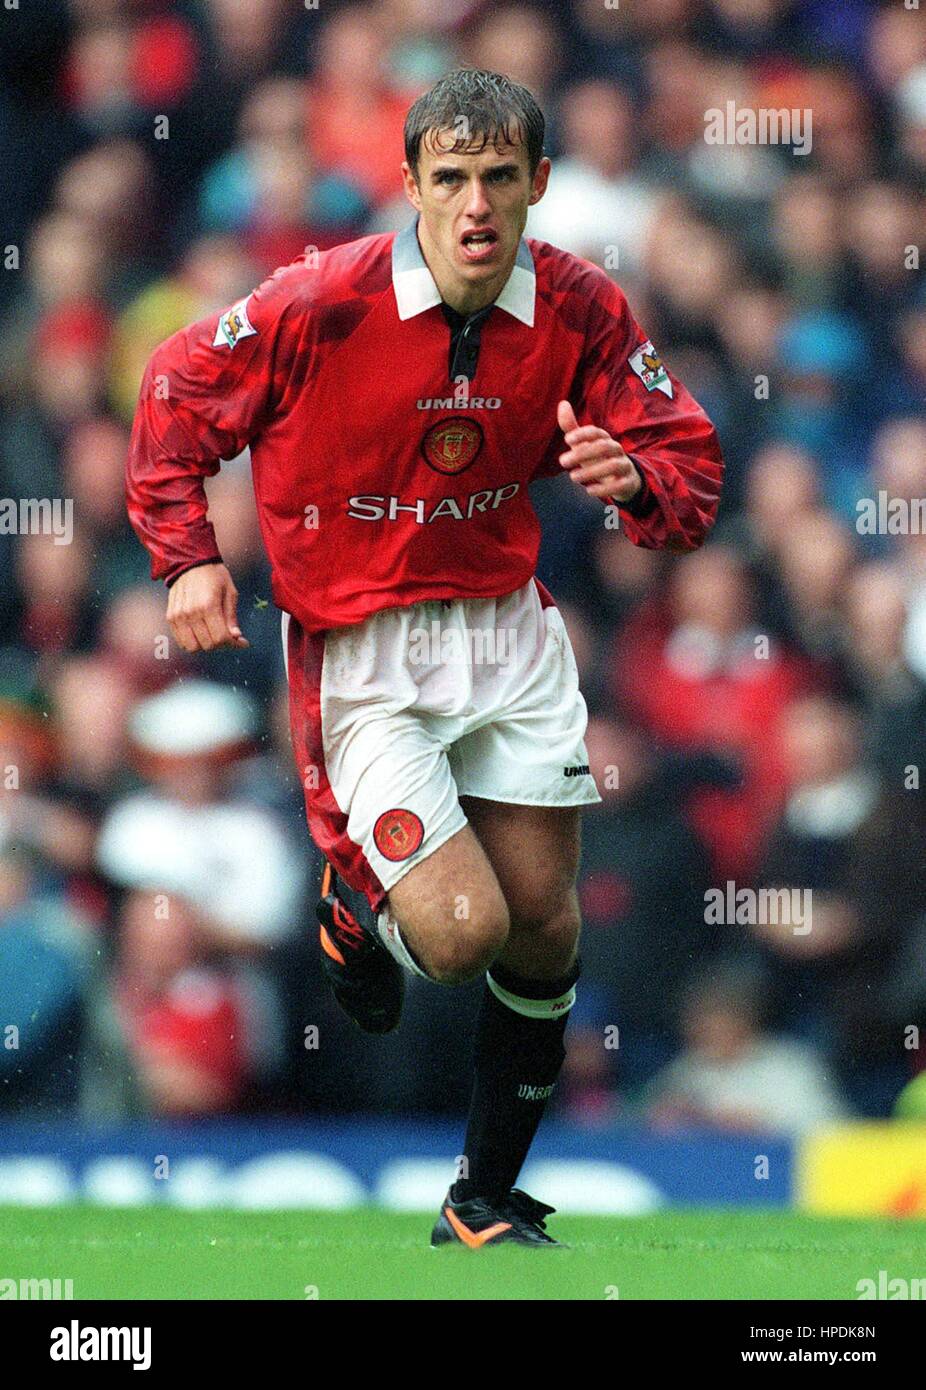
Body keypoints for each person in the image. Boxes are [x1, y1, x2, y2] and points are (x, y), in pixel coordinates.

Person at [126, 68, 723, 1247]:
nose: (474, 205)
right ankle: (357, 906)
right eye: (449, 177)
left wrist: (639, 480)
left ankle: (479, 1199)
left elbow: (686, 460)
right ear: (407, 184)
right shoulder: (318, 300)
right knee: (460, 936)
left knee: (546, 926)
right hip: (364, 651)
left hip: (506, 628)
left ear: (540, 184)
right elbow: (172, 390)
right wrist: (187, 557)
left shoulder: (580, 303)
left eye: (500, 177)